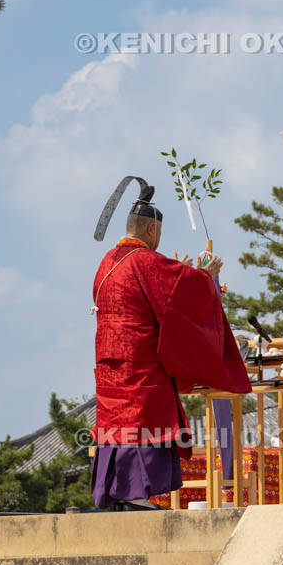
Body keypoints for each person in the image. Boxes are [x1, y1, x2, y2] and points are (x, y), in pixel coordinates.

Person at [90, 183, 250, 510]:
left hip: (109, 364)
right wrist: (204, 276)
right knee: (142, 422)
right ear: (151, 229)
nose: (158, 241)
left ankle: (121, 494)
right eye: (158, 234)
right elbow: (180, 295)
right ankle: (134, 494)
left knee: (117, 427)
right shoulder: (143, 261)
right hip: (138, 361)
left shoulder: (106, 262)